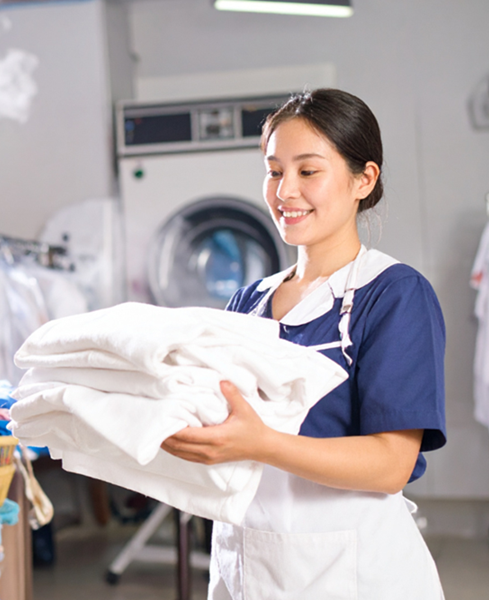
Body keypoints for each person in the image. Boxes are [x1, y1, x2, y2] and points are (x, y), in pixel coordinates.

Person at [161, 88, 447, 599]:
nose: (285, 191)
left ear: (364, 178)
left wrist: (262, 444)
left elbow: (390, 465)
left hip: (352, 572)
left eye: (307, 171)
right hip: (245, 564)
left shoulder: (393, 294)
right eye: (274, 171)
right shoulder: (249, 300)